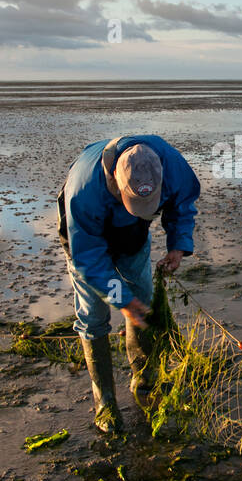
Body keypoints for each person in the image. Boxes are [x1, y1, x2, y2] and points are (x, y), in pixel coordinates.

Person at [56, 135, 201, 433]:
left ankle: (143, 378)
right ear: (118, 184)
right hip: (87, 239)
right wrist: (120, 299)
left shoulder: (171, 164)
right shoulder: (84, 192)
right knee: (93, 315)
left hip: (133, 233)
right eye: (138, 202)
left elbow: (183, 203)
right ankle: (105, 402)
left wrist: (178, 245)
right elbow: (89, 261)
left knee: (143, 298)